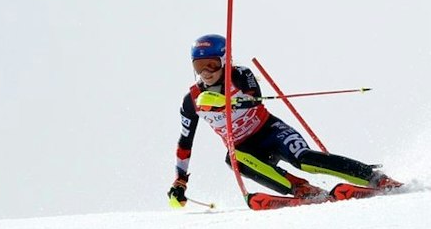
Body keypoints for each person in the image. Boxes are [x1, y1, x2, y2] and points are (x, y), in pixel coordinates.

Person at [168, 34, 399, 207]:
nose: (206, 72)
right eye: (199, 67)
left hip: (270, 131)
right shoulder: (192, 100)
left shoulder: (240, 74)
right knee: (233, 158)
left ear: (225, 60)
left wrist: (225, 101)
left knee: (305, 160)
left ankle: (377, 179)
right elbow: (184, 144)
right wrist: (180, 182)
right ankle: (302, 189)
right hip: (245, 148)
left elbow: (252, 98)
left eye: (212, 65)